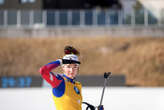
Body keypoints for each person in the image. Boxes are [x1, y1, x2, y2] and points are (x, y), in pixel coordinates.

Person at [39, 45, 104, 110]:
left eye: (75, 67)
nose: (71, 70)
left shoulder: (77, 85)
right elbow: (43, 71)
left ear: (78, 68)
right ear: (63, 67)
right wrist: (60, 61)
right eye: (68, 66)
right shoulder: (60, 82)